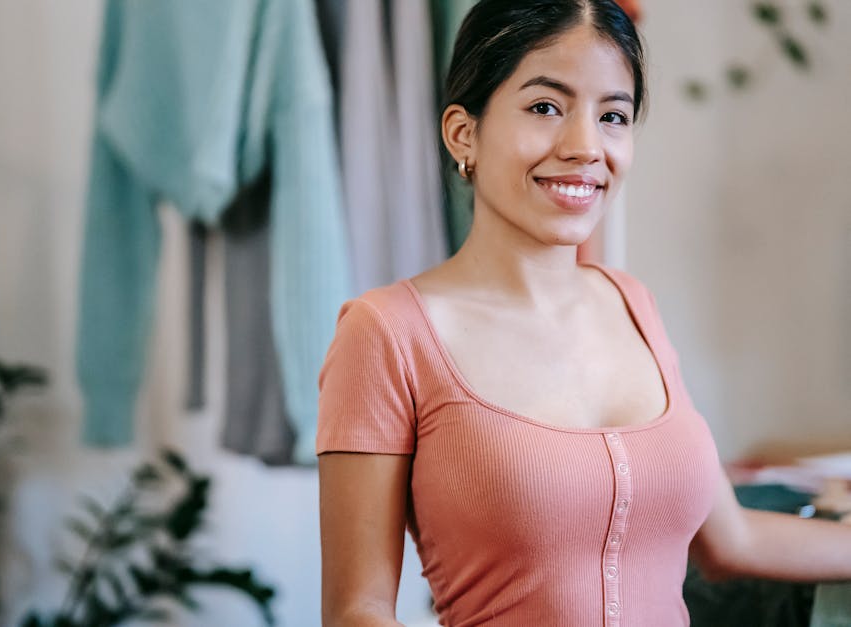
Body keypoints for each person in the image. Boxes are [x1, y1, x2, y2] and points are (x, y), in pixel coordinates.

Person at [316, 1, 851, 625]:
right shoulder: (386, 334)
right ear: (464, 133)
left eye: (613, 116)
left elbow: (733, 542)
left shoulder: (633, 304)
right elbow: (357, 611)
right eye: (546, 107)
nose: (585, 146)